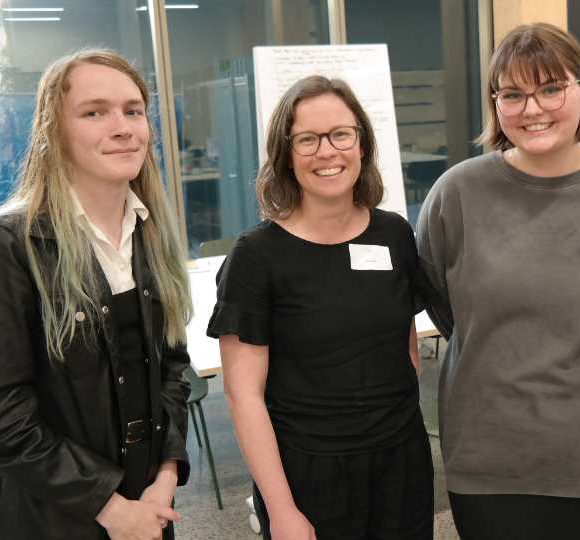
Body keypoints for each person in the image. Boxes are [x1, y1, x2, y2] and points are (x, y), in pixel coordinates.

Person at [416, 23, 580, 540]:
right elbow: (445, 308)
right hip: (489, 461)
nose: (533, 110)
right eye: (513, 94)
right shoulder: (456, 195)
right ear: (496, 104)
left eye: (550, 88)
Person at [0, 50, 193, 540]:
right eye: (94, 112)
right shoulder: (9, 245)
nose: (123, 126)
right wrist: (110, 508)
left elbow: (173, 367)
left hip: (147, 509)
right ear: (54, 132)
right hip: (53, 521)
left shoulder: (150, 232)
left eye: (133, 110)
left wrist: (165, 480)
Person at [207, 75, 434, 540]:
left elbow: (404, 344)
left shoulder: (393, 233)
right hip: (310, 473)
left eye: (340, 135)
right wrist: (282, 509)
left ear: (362, 144)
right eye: (306, 139)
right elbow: (243, 396)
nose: (326, 152)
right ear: (286, 155)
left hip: (400, 461)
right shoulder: (256, 257)